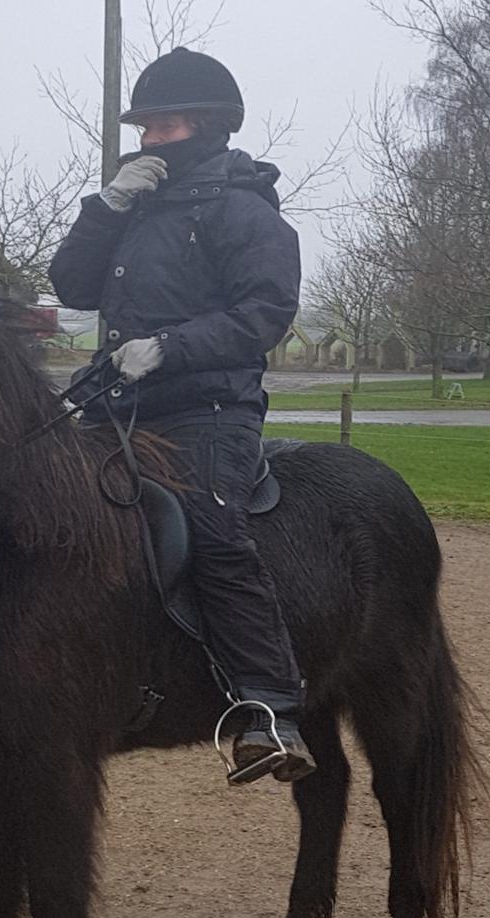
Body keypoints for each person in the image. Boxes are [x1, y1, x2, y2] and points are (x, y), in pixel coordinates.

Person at [48, 47, 315, 784]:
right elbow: (70, 282)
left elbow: (264, 311)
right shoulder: (134, 210)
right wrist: (106, 208)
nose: (150, 139)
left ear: (207, 126)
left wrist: (169, 348)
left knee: (214, 530)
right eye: (145, 127)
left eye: (163, 127)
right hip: (119, 406)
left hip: (209, 408)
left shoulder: (244, 210)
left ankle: (268, 707)